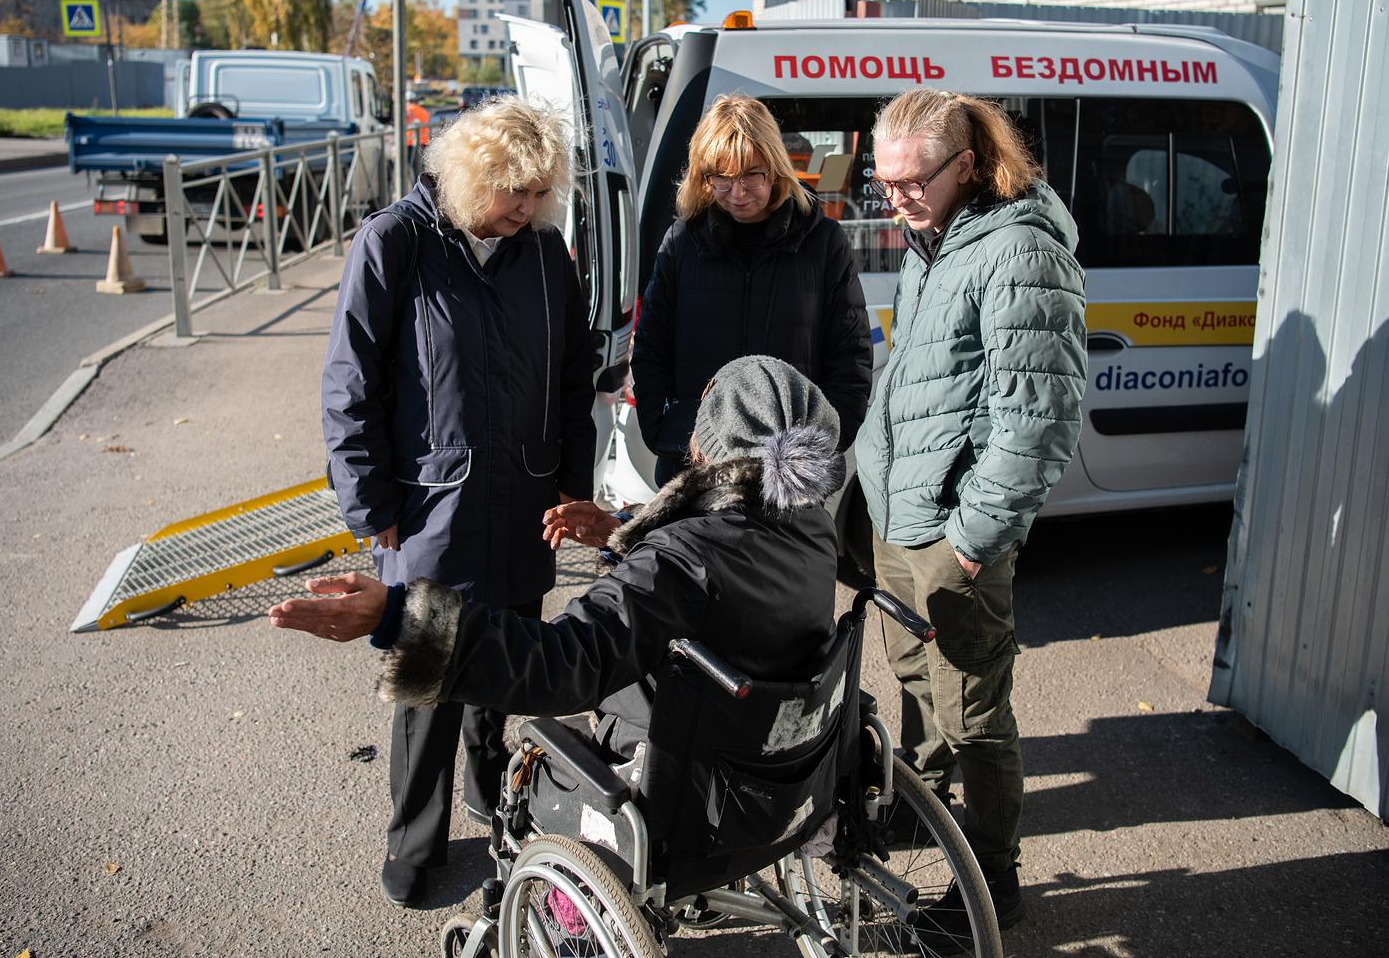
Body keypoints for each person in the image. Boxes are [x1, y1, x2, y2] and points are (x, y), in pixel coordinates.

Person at [275, 355, 843, 766]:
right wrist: (621, 534)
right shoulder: (810, 526)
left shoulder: (681, 558)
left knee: (542, 763)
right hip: (782, 759)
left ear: (712, 442)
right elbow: (718, 580)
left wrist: (397, 617)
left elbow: (563, 663)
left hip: (687, 769)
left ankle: (570, 929)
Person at [321, 95, 596, 908]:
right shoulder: (396, 243)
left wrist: (574, 486)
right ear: (473, 178)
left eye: (541, 194)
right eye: (516, 194)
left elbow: (574, 376)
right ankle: (414, 845)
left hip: (524, 504)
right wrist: (370, 506)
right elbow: (349, 387)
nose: (528, 209)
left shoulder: (546, 254)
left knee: (507, 663)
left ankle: (492, 795)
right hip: (430, 511)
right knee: (427, 681)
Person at [853, 89, 1087, 940]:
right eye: (885, 183)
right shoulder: (934, 238)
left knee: (974, 712)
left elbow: (1038, 420)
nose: (898, 198)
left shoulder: (1019, 250)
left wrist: (973, 537)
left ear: (967, 165)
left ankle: (992, 883)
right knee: (918, 682)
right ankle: (922, 812)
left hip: (950, 535)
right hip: (899, 515)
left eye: (914, 181)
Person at [631, 94, 871, 487]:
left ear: (775, 169)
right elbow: (650, 351)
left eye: (751, 176)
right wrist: (670, 433)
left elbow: (851, 359)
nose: (737, 193)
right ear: (703, 177)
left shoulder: (822, 241)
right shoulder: (681, 243)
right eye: (721, 178)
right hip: (694, 466)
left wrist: (819, 446)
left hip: (790, 476)